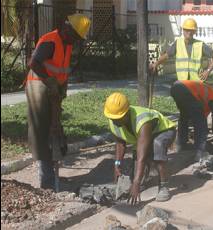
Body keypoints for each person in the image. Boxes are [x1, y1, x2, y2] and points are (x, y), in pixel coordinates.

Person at [25, 14, 91, 190]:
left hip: (53, 88)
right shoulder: (50, 41)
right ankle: (46, 181)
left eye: (78, 39)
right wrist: (50, 81)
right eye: (75, 37)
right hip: (38, 85)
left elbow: (62, 71)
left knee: (55, 128)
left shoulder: (66, 44)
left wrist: (61, 88)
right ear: (67, 28)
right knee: (42, 131)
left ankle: (52, 177)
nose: (76, 41)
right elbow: (33, 63)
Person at [103, 92, 177, 204]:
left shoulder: (142, 121)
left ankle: (163, 185)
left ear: (127, 113)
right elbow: (120, 143)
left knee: (156, 149)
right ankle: (143, 178)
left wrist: (136, 183)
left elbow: (141, 155)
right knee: (137, 170)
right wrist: (117, 164)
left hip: (164, 131)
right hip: (143, 137)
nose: (115, 121)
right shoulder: (114, 119)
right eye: (112, 118)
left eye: (118, 118)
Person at [170, 80, 213, 160]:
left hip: (176, 87)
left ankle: (181, 146)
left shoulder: (210, 95)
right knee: (202, 125)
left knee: (184, 117)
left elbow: (195, 117)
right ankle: (200, 153)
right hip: (186, 90)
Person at [149, 18, 213, 81]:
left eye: (191, 30)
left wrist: (207, 71)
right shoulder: (178, 43)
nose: (189, 32)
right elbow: (166, 56)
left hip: (197, 82)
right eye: (186, 30)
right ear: (183, 30)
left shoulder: (200, 45)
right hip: (183, 83)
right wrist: (156, 64)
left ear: (194, 31)